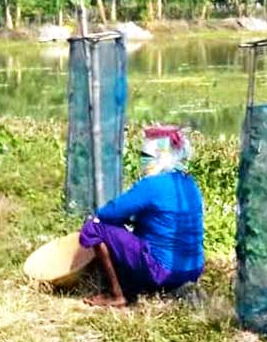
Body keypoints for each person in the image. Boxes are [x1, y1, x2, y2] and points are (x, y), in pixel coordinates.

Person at [79, 126, 204, 308]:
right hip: (192, 269)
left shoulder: (152, 185)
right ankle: (149, 284)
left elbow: (108, 213)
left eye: (146, 156)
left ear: (159, 156)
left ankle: (116, 294)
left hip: (164, 270)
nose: (144, 160)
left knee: (95, 226)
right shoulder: (189, 183)